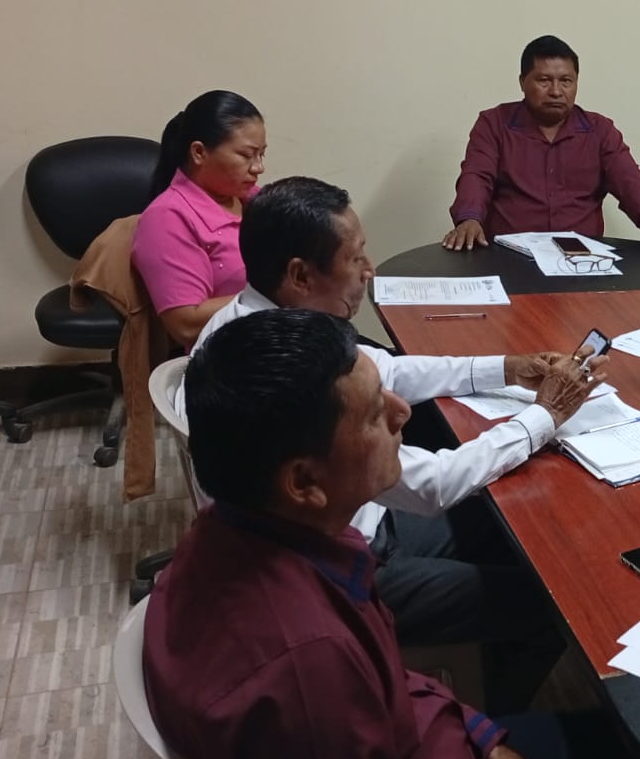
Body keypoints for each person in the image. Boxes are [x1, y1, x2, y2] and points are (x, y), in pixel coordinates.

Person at [145, 309, 629, 759]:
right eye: (375, 414)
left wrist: (480, 735)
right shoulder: (305, 669)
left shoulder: (242, 531)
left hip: (431, 758)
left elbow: (381, 680)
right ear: (304, 481)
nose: (403, 413)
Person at [184, 176, 599, 691]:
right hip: (344, 564)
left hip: (356, 519)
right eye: (355, 258)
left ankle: (489, 648)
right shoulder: (284, 383)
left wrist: (508, 368)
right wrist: (544, 416)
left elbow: (387, 370)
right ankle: (498, 711)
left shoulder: (266, 327)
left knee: (518, 524)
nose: (369, 270)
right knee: (552, 601)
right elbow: (432, 485)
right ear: (300, 275)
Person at [443, 34, 640, 256]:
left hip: (581, 261)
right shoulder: (494, 124)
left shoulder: (600, 130)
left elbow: (630, 181)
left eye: (566, 81)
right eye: (544, 80)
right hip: (509, 258)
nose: (556, 91)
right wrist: (469, 218)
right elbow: (477, 175)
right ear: (522, 82)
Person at [131, 90, 265, 348]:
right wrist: (276, 295)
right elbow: (185, 324)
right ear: (199, 152)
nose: (258, 167)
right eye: (246, 155)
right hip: (230, 353)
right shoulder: (168, 218)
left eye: (262, 154)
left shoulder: (254, 200)